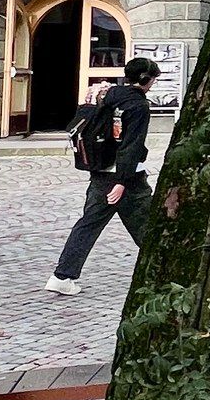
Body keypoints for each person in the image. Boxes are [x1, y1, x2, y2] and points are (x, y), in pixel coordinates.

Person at [46, 54, 160, 295]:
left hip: (99, 171)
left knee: (88, 225)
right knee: (149, 228)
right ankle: (164, 274)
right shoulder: (138, 105)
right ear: (145, 79)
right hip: (127, 179)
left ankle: (62, 275)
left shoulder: (107, 95)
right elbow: (131, 146)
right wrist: (122, 182)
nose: (153, 84)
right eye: (153, 80)